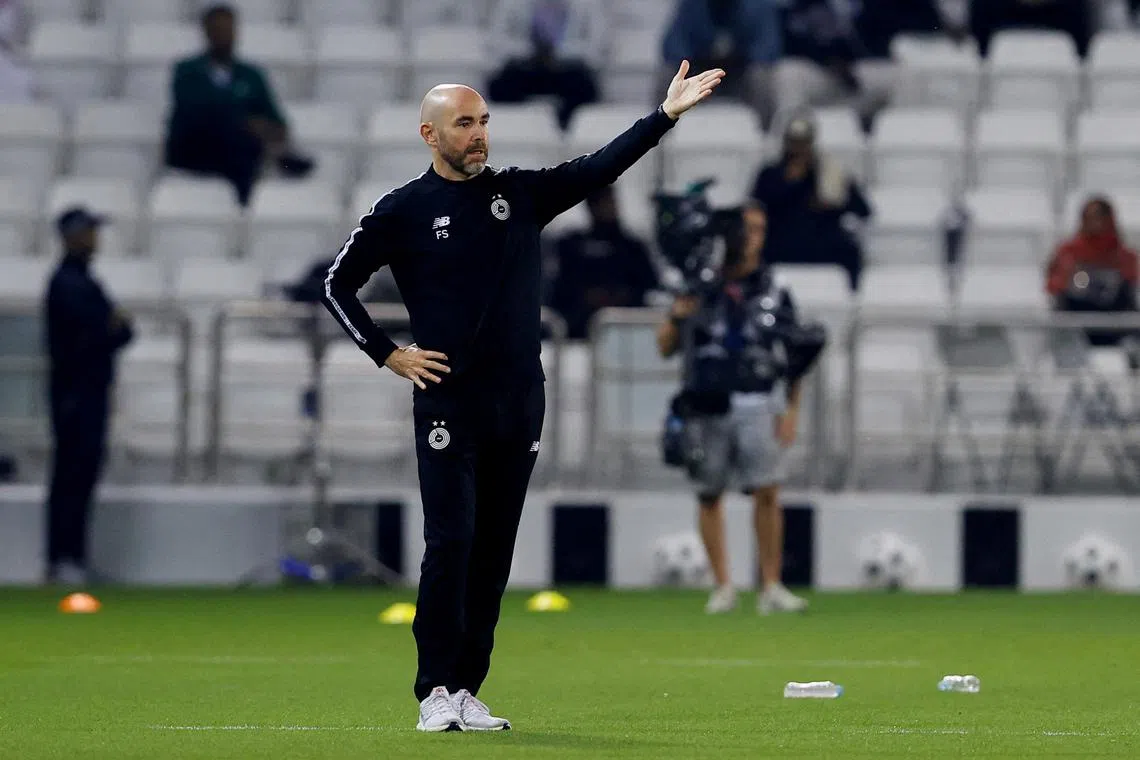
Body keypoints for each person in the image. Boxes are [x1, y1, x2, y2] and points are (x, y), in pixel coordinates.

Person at [321, 63, 724, 732]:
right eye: (464, 125)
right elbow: (337, 285)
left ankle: (467, 688)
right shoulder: (404, 210)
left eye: (483, 122)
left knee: (495, 550)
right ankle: (433, 692)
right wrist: (387, 353)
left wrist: (664, 116)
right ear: (430, 134)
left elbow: (598, 168)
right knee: (451, 541)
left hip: (520, 400)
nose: (479, 136)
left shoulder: (520, 196)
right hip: (448, 402)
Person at [656, 203, 811, 615]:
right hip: (707, 399)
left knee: (768, 490)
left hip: (758, 397)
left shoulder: (774, 289)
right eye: (748, 230)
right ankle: (723, 585)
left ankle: (771, 584)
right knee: (709, 493)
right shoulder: (699, 285)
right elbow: (665, 346)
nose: (753, 238)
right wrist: (676, 316)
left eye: (760, 229)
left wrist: (792, 409)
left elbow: (796, 352)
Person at [43, 207, 134, 586]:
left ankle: (71, 557)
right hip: (75, 393)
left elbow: (119, 329)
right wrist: (113, 328)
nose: (96, 237)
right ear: (73, 235)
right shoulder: (69, 283)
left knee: (79, 477)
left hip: (84, 391)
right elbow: (105, 332)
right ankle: (63, 559)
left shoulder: (80, 280)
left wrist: (114, 328)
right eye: (90, 230)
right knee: (72, 477)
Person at [164, 3, 313, 206]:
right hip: (196, 148)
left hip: (240, 151)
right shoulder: (187, 71)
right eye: (218, 30)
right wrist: (245, 121)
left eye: (228, 30)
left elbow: (274, 117)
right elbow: (194, 111)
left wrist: (267, 127)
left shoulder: (251, 75)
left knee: (246, 143)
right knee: (233, 132)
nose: (224, 36)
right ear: (206, 32)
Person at [750, 115, 871, 289]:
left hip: (822, 241)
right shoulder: (770, 174)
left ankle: (851, 301)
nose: (798, 149)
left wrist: (835, 201)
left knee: (850, 250)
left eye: (803, 142)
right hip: (781, 242)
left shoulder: (828, 174)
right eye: (795, 142)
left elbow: (863, 210)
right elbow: (757, 208)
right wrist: (789, 183)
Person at [547, 184, 660, 339]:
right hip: (578, 329)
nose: (611, 207)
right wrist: (590, 297)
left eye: (612, 201)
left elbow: (649, 282)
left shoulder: (631, 245)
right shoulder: (571, 244)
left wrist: (621, 296)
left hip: (626, 328)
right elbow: (560, 287)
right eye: (604, 202)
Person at [1046, 195, 1140, 365]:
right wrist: (1075, 281)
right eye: (1089, 218)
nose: (1094, 223)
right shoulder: (1068, 251)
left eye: (1099, 217)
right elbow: (1054, 286)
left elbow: (1129, 289)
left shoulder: (1124, 256)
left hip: (1115, 323)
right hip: (1077, 320)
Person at [661, 0, 782, 129]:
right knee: (669, 73)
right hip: (702, 73)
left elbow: (767, 49)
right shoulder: (692, 5)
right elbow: (673, 46)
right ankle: (661, 132)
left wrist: (741, 57)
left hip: (741, 76)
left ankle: (764, 133)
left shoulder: (758, 6)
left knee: (761, 76)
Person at [486, 0, 605, 130]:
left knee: (585, 87)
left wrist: (557, 52)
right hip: (526, 67)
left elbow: (597, 47)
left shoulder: (590, 4)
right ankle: (518, 127)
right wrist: (531, 51)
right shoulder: (510, 3)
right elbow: (497, 42)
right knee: (500, 85)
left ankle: (565, 132)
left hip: (567, 69)